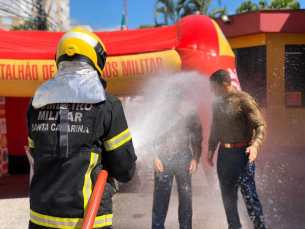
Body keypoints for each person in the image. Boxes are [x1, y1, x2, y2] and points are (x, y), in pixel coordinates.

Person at [26, 28, 137, 229]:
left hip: (41, 218)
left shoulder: (36, 102)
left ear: (58, 58)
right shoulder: (106, 104)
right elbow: (124, 170)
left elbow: (37, 153)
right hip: (88, 218)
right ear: (98, 59)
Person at [206, 69, 267, 229]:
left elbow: (260, 125)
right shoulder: (216, 103)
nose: (212, 91)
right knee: (227, 196)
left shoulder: (244, 100)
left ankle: (260, 227)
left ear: (224, 85)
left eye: (214, 87)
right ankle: (234, 226)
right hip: (224, 154)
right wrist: (211, 148)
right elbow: (215, 127)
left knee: (249, 196)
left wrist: (255, 146)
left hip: (243, 154)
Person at [152, 86, 203, 229]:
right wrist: (154, 157)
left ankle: (185, 227)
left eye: (176, 101)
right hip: (163, 158)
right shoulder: (159, 114)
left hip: (183, 155)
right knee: (160, 199)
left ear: (181, 100)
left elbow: (197, 136)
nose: (173, 105)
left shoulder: (190, 112)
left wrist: (195, 158)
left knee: (186, 198)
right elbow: (149, 136)